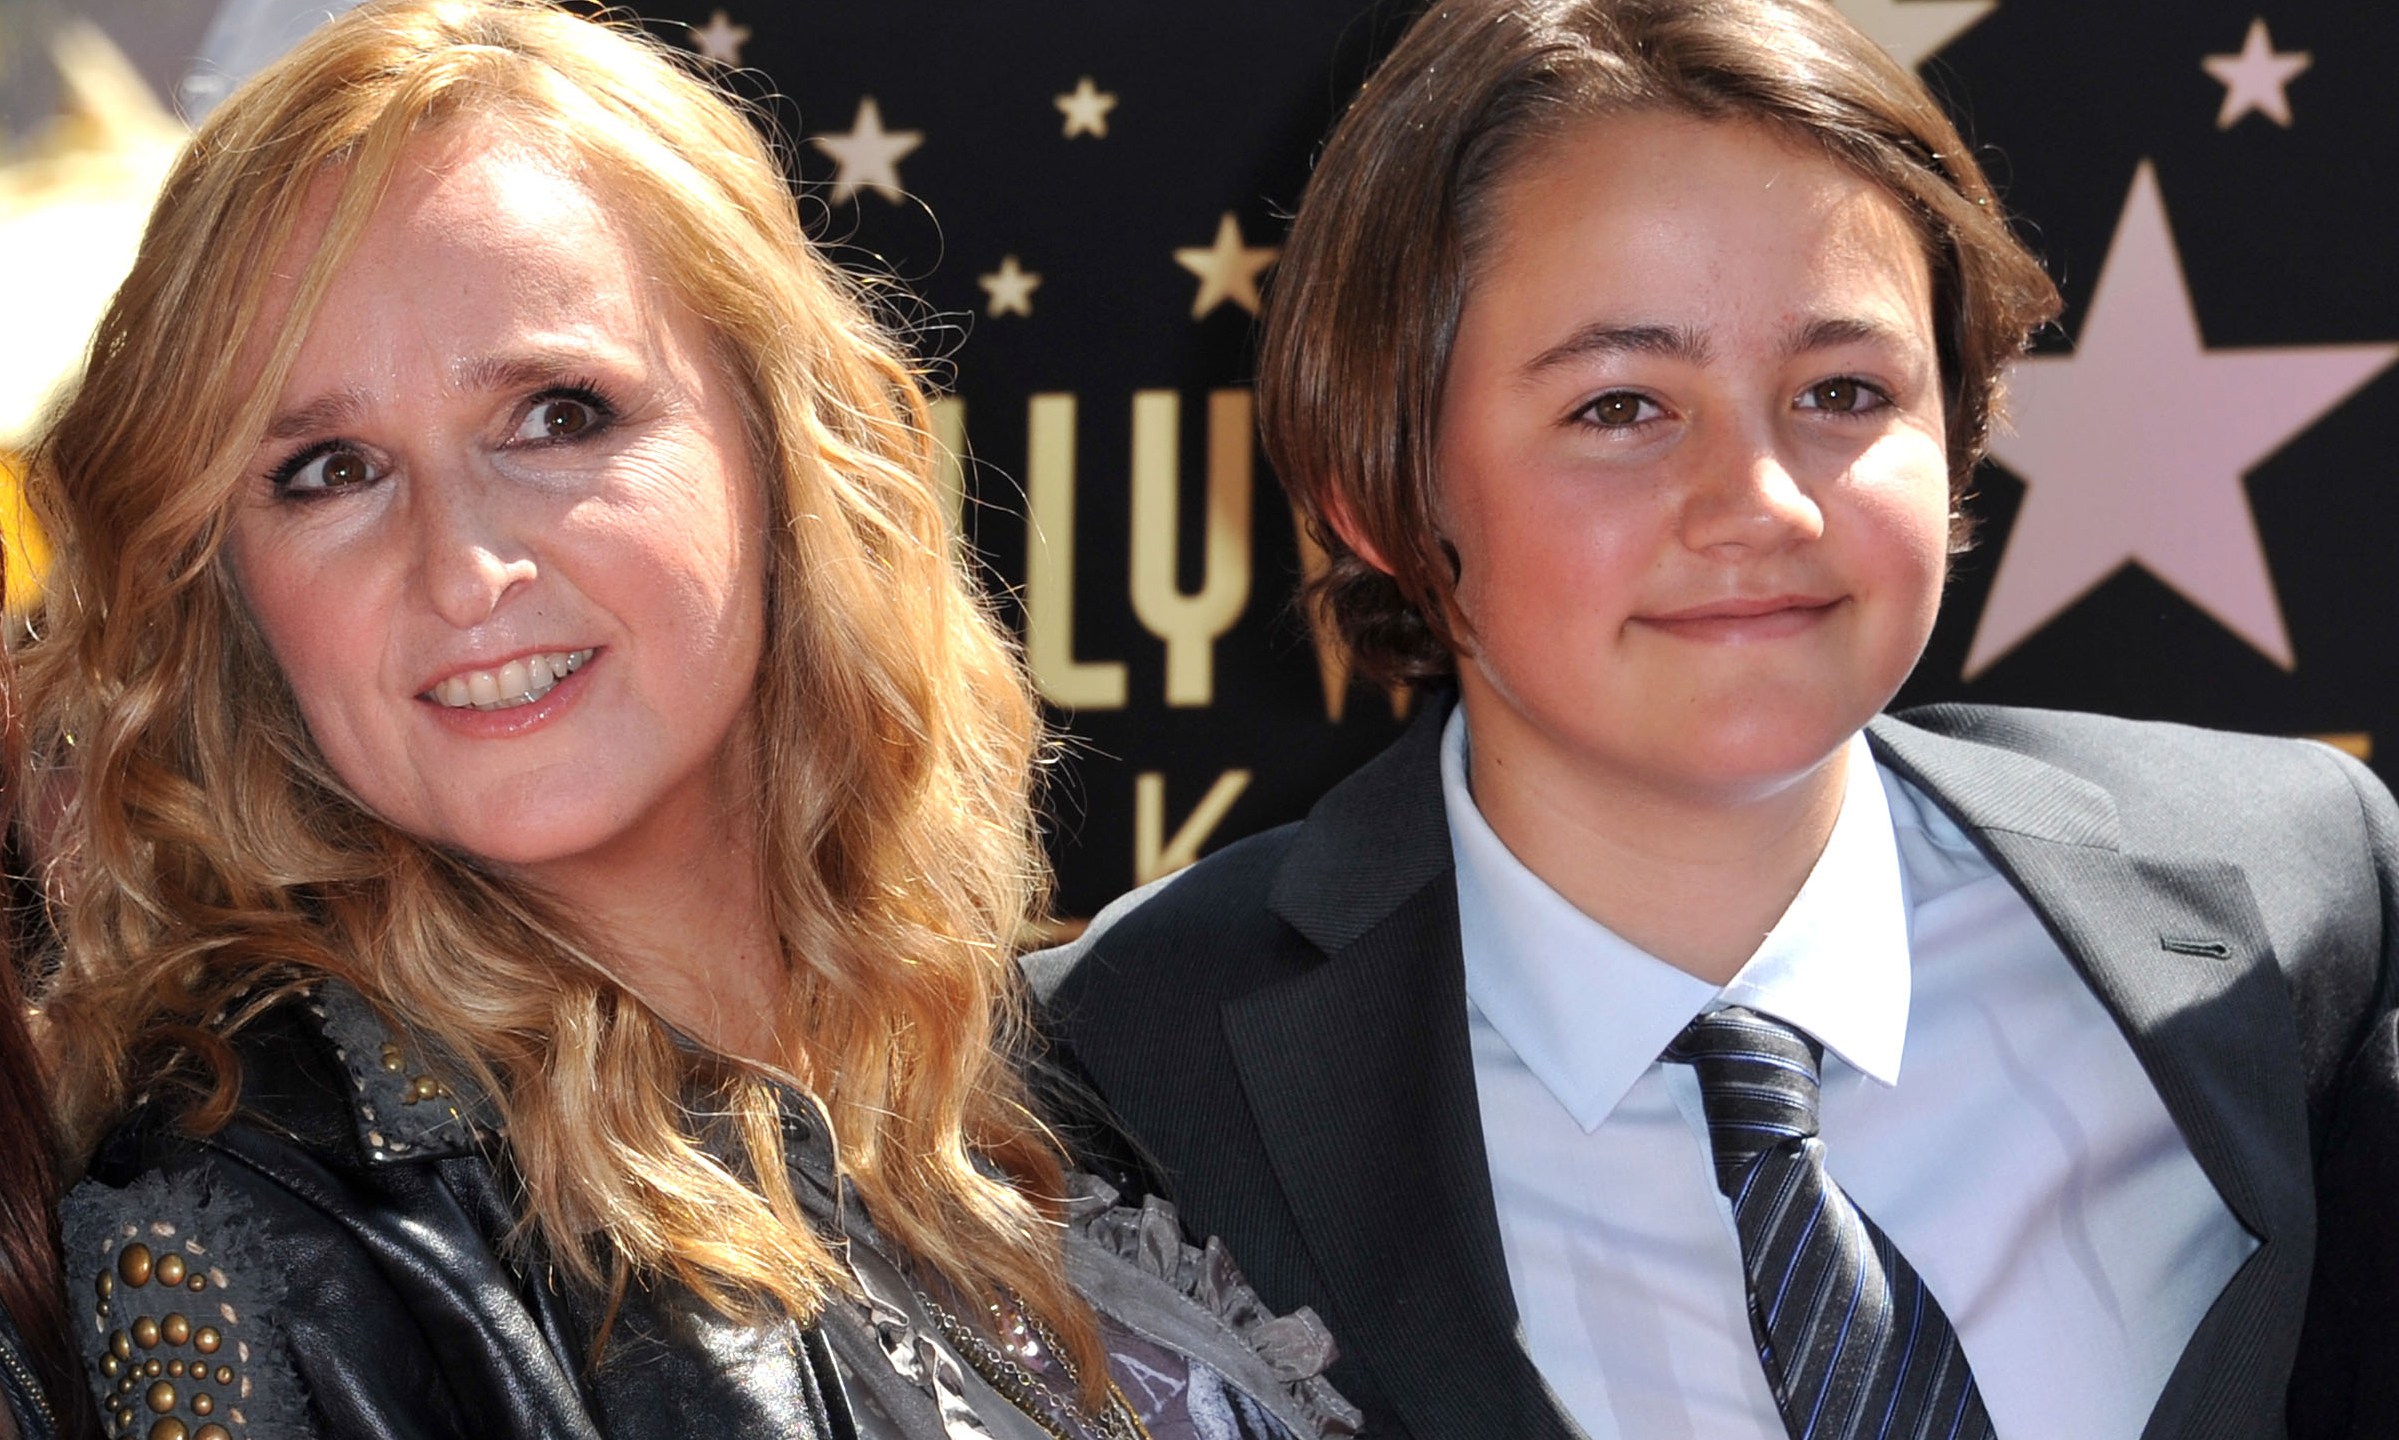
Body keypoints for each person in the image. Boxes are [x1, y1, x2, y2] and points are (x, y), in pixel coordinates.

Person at [1026, 1, 2399, 1437]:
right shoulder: (1124, 1065)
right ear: (1377, 489)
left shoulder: (2295, 893)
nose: (1763, 503)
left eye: (1844, 391)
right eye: (1622, 407)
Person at [15, 3, 1358, 1438]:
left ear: (774, 440)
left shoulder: (1067, 1064)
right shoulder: (268, 1236)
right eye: (333, 468)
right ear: (229, 591)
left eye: (556, 415)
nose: (464, 570)